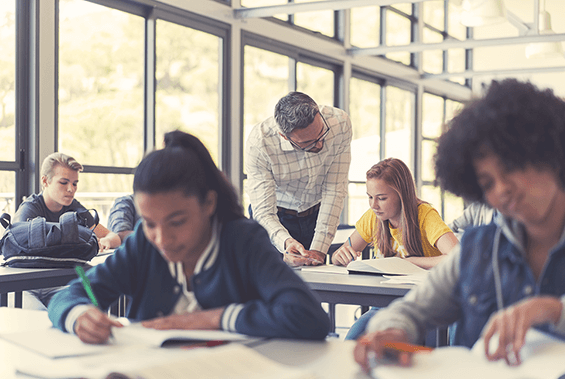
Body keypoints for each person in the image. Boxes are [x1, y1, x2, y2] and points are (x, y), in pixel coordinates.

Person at [354, 79, 565, 372]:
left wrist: (555, 311)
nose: (502, 190)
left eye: (511, 169)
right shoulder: (478, 250)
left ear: (553, 158)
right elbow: (409, 310)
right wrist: (393, 331)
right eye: (487, 183)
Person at [48, 130, 330, 344]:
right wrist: (77, 316)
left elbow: (309, 317)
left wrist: (210, 319)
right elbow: (69, 295)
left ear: (208, 204)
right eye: (149, 223)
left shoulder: (242, 241)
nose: (162, 238)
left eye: (177, 222)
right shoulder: (143, 245)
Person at [331, 158, 459, 340]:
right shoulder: (373, 217)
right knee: (354, 337)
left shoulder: (424, 215)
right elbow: (344, 250)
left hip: (426, 303)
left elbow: (457, 257)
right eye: (369, 197)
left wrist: (410, 262)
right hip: (385, 304)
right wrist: (339, 256)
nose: (373, 205)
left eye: (381, 198)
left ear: (402, 195)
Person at [245, 92, 352, 266]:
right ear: (284, 136)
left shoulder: (339, 123)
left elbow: (334, 189)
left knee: (317, 284)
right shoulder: (260, 143)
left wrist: (318, 249)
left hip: (317, 215)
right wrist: (286, 244)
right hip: (276, 217)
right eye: (308, 143)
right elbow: (264, 212)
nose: (319, 145)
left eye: (321, 133)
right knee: (272, 282)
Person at [13, 152, 116, 310]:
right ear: (45, 181)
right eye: (63, 182)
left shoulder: (74, 207)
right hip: (28, 286)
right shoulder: (28, 209)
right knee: (40, 320)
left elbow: (113, 236)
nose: (71, 189)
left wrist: (104, 241)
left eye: (75, 183)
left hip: (63, 282)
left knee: (92, 308)